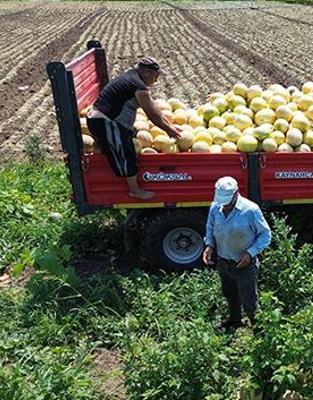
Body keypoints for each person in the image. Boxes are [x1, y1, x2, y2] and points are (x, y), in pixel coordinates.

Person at [86, 56, 181, 200]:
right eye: (156, 76)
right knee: (126, 152)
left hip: (101, 119)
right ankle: (134, 190)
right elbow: (152, 114)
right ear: (147, 72)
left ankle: (104, 152)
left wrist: (170, 125)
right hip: (105, 122)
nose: (156, 80)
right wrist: (169, 130)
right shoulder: (138, 86)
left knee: (128, 136)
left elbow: (154, 107)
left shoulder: (132, 77)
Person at [202, 177, 272, 329]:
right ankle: (235, 321)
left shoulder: (250, 210)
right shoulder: (215, 207)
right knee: (229, 293)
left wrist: (250, 253)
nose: (224, 204)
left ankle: (258, 328)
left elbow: (265, 235)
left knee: (249, 298)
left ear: (236, 193)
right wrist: (209, 245)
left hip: (245, 263)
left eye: (227, 200)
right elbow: (210, 227)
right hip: (223, 260)